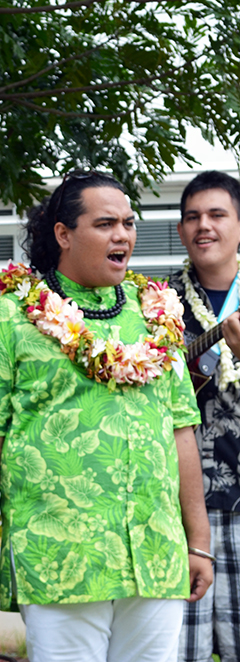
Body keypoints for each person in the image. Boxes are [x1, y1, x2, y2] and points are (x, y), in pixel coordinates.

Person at [0, 170, 213, 661]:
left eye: (129, 224)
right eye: (106, 224)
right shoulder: (8, 319)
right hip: (62, 558)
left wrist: (197, 541)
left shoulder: (158, 315)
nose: (123, 235)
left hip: (156, 556)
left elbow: (182, 430)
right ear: (63, 234)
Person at [170, 170, 240, 661]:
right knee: (177, 650)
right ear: (180, 231)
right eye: (192, 217)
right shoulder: (153, 306)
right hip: (177, 507)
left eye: (217, 214)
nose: (204, 226)